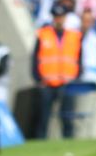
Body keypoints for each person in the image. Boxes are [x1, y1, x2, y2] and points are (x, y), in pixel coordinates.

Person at [34, 12, 84, 140]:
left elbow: (79, 59)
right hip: (47, 83)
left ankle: (68, 141)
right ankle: (40, 141)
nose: (59, 20)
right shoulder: (44, 34)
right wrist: (38, 78)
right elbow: (35, 58)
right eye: (56, 17)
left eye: (61, 17)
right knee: (44, 116)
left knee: (67, 116)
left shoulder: (74, 36)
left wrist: (77, 77)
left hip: (67, 83)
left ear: (65, 18)